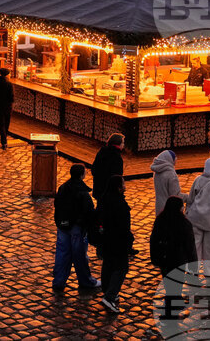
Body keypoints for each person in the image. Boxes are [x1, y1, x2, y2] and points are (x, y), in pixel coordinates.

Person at [51, 164, 102, 292]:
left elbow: (57, 203)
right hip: (77, 227)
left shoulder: (63, 188)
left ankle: (59, 281)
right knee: (80, 256)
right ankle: (86, 281)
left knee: (62, 254)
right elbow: (89, 211)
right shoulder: (82, 192)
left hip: (63, 226)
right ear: (81, 175)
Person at [150, 197, 198, 312]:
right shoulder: (184, 223)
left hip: (164, 258)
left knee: (168, 280)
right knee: (177, 283)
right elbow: (190, 245)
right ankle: (173, 304)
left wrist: (154, 258)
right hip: (178, 259)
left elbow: (154, 240)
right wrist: (193, 264)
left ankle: (173, 300)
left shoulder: (160, 220)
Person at [99, 175, 133, 315]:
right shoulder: (120, 205)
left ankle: (108, 290)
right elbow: (123, 228)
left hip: (106, 240)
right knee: (121, 268)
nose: (125, 186)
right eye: (123, 184)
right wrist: (129, 241)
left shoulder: (103, 200)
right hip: (118, 242)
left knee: (108, 265)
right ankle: (110, 296)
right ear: (119, 188)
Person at [91, 133, 125, 202]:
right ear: (118, 144)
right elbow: (117, 177)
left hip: (98, 189)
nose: (124, 145)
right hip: (109, 193)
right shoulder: (117, 157)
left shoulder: (102, 152)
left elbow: (94, 169)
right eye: (123, 143)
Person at [151, 150, 181, 215]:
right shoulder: (171, 174)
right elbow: (175, 195)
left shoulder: (157, 172)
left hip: (159, 207)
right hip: (170, 209)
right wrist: (188, 197)